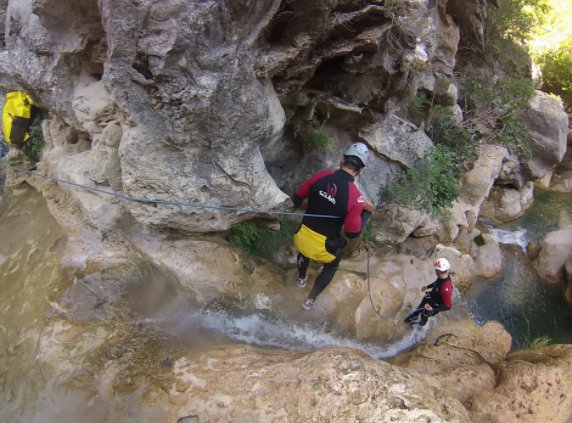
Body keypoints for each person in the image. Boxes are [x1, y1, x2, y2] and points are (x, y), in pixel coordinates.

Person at [292, 142, 374, 310]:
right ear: (362, 169)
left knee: (305, 246)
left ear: (342, 160)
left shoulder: (320, 176)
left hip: (301, 237)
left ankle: (301, 277)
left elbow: (297, 198)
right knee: (331, 266)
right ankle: (310, 300)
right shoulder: (357, 198)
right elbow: (352, 233)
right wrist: (366, 213)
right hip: (323, 249)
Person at [404, 257, 453, 326]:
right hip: (430, 297)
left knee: (424, 315)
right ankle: (414, 316)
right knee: (419, 308)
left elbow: (448, 306)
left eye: (436, 270)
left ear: (438, 271)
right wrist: (427, 287)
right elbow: (437, 282)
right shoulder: (444, 277)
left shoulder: (445, 289)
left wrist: (433, 309)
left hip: (434, 305)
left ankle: (420, 324)